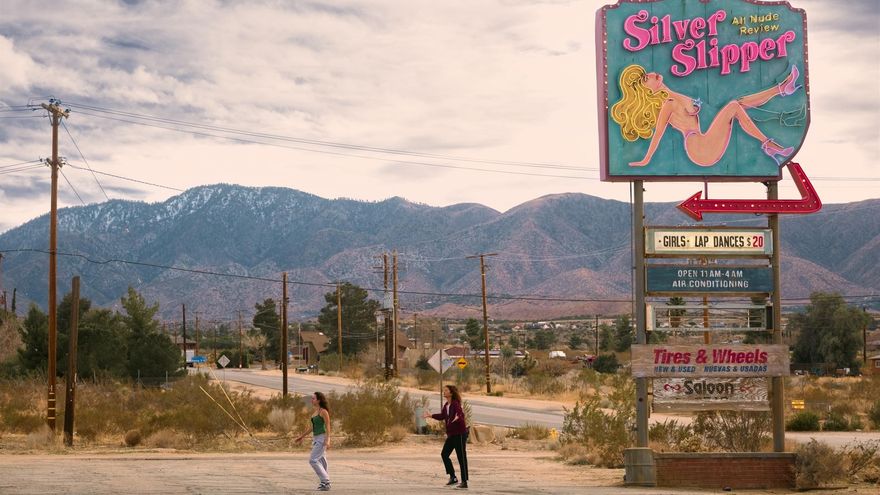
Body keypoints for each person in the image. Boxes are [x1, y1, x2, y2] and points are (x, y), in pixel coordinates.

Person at [611, 63, 801, 168]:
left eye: (647, 74)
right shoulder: (668, 104)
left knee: (739, 103)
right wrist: (645, 160)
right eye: (646, 78)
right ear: (646, 89)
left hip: (702, 142)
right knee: (734, 106)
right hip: (698, 148)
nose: (652, 74)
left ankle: (782, 89)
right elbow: (659, 134)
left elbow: (693, 108)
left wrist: (666, 89)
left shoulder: (670, 97)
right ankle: (768, 144)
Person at [423, 385, 469, 489]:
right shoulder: (447, 405)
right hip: (452, 435)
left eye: (446, 390)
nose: (444, 391)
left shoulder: (455, 404)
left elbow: (460, 414)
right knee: (444, 454)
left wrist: (458, 417)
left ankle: (464, 482)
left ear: (451, 393)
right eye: (444, 390)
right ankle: (453, 477)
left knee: (461, 458)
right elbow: (442, 416)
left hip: (460, 434)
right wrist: (431, 415)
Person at [295, 391, 332, 491]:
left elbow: (328, 426)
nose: (312, 400)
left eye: (313, 398)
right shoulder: (315, 412)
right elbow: (312, 428)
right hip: (316, 438)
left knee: (313, 460)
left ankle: (325, 480)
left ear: (319, 400)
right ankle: (325, 483)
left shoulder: (323, 411)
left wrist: (328, 440)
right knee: (322, 460)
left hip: (322, 438)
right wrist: (302, 436)